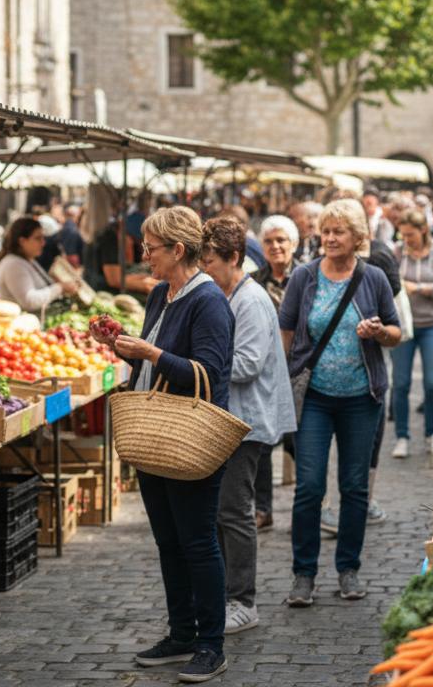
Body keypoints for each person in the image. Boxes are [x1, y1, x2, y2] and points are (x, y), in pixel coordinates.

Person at [115, 207, 234, 683]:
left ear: (178, 250)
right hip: (157, 432)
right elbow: (153, 361)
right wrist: (124, 348)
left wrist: (151, 353)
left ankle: (211, 644)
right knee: (169, 541)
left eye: (151, 249)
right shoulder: (161, 295)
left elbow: (209, 372)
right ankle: (181, 633)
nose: (145, 256)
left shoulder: (208, 302)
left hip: (191, 436)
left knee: (198, 542)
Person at [279, 199, 400, 607]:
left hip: (361, 398)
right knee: (309, 487)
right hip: (314, 397)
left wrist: (380, 332)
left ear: (357, 238)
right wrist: (284, 379)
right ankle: (303, 574)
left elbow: (397, 332)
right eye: (325, 231)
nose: (329, 238)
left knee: (354, 486)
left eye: (339, 232)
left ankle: (348, 568)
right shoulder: (304, 276)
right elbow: (287, 331)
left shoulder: (375, 278)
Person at [199, 217, 295, 636]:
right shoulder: (226, 293)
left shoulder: (251, 300)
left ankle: (243, 601)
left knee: (235, 512)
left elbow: (248, 364)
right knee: (222, 512)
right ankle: (226, 595)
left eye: (210, 261)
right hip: (227, 418)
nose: (205, 269)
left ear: (233, 258)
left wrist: (194, 365)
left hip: (246, 421)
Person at [250, 213, 300, 531]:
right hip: (265, 370)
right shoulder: (253, 281)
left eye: (281, 240)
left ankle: (309, 508)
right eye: (268, 241)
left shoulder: (307, 277)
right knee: (264, 443)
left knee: (300, 442)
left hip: (299, 369)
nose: (275, 246)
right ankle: (263, 510)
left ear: (293, 244)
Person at [390, 210, 433, 457]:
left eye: (411, 235)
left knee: (432, 383)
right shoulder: (397, 252)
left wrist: (417, 288)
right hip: (403, 325)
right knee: (401, 382)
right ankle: (402, 436)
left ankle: (431, 433)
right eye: (403, 235)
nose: (406, 239)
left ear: (423, 230)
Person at [0, 218, 80, 313]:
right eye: (38, 238)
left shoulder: (28, 260)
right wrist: (60, 287)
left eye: (43, 237)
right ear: (22, 241)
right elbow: (29, 302)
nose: (43, 243)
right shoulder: (13, 264)